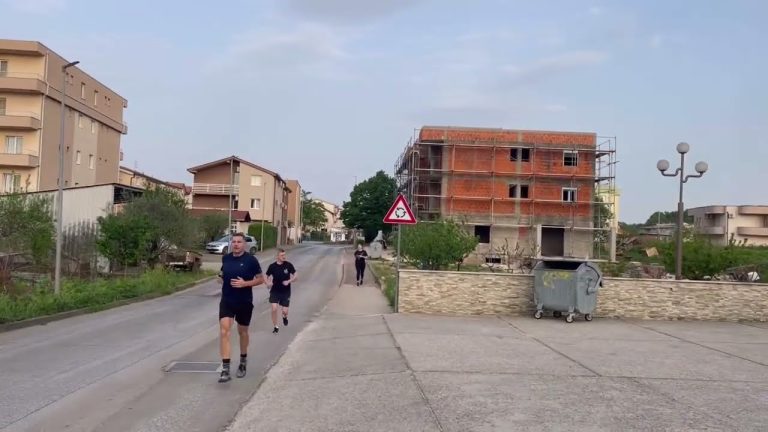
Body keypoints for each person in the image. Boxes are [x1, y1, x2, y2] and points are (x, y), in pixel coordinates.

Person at [217, 233, 264, 383]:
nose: (236, 244)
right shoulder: (226, 258)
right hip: (227, 300)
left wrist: (245, 284)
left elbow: (261, 279)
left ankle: (243, 361)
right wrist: (220, 278)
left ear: (244, 244)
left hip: (244, 301)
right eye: (234, 242)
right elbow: (222, 274)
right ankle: (225, 369)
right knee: (224, 331)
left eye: (239, 242)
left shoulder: (251, 260)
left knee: (242, 332)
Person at [266, 248, 297, 334]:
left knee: (284, 311)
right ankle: (276, 326)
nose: (284, 257)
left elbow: (296, 276)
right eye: (282, 255)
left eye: (284, 255)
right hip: (275, 291)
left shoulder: (288, 265)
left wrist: (289, 281)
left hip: (285, 292)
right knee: (274, 308)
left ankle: (285, 317)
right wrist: (268, 283)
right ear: (277, 256)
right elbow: (266, 276)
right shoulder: (272, 266)